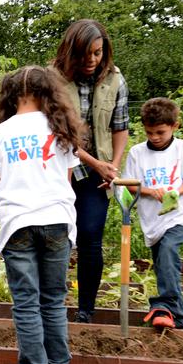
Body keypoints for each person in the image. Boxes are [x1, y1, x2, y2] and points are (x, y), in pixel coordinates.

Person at [0, 66, 81, 364]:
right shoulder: (61, 130)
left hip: (18, 223)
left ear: (10, 95)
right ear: (48, 93)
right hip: (57, 222)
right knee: (53, 301)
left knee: (26, 304)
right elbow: (65, 180)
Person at [53, 19, 129, 323]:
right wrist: (94, 162)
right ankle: (53, 306)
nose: (92, 60)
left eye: (97, 53)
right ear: (72, 52)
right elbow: (58, 134)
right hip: (63, 170)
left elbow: (120, 126)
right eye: (85, 54)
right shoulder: (55, 81)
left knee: (90, 236)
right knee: (58, 236)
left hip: (97, 177)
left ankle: (85, 309)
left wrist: (113, 165)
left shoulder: (115, 80)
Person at [122, 98, 183, 329]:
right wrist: (150, 191)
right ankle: (182, 320)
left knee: (168, 250)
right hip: (154, 219)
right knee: (164, 264)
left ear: (174, 126)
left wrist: (173, 193)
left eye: (160, 132)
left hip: (182, 212)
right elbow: (131, 184)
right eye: (149, 132)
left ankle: (166, 306)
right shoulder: (138, 153)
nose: (154, 137)